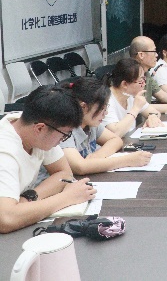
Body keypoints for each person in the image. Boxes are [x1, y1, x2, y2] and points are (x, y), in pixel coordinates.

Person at [0, 85, 96, 233]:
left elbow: (64, 174)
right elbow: (6, 219)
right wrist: (67, 197)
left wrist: (28, 198)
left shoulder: (32, 126)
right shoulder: (5, 152)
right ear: (40, 128)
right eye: (64, 135)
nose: (63, 140)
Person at [61, 77, 152, 174]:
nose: (106, 113)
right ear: (83, 107)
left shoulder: (91, 124)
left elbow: (116, 140)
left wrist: (97, 156)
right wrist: (127, 160)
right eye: (102, 109)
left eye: (106, 108)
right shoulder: (64, 129)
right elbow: (80, 167)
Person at [101, 58, 163, 137]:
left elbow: (155, 112)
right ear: (124, 84)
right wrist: (135, 108)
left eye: (144, 79)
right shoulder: (106, 101)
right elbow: (115, 133)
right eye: (141, 81)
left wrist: (152, 117)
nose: (144, 84)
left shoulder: (130, 95)